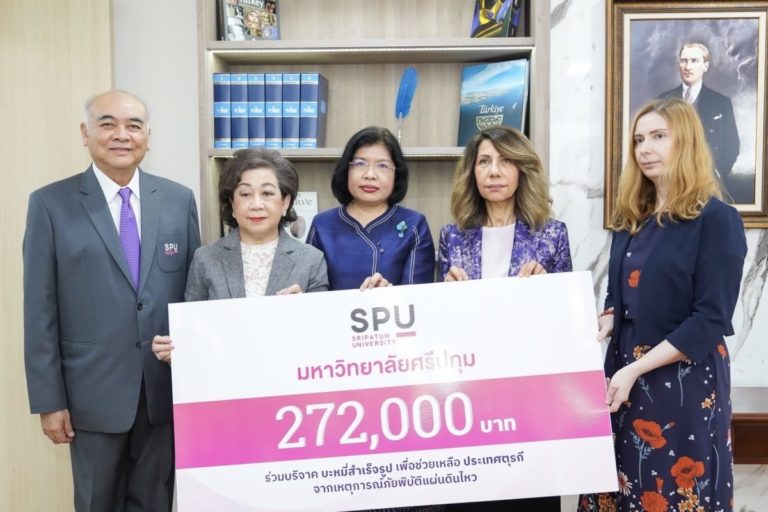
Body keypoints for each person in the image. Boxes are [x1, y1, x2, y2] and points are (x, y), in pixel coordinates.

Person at [23, 90, 201, 511]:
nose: (122, 135)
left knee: (156, 503)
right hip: (91, 396)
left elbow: (195, 294)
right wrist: (50, 401)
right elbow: (39, 311)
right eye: (108, 124)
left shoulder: (178, 200)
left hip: (162, 392)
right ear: (85, 133)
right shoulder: (50, 204)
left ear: (147, 137)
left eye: (133, 126)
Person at [579, 98, 746, 511]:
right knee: (617, 485)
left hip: (683, 380)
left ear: (685, 142)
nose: (645, 149)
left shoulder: (717, 219)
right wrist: (607, 319)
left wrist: (636, 368)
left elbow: (710, 318)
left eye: (658, 137)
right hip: (622, 373)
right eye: (638, 140)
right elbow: (618, 296)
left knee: (673, 491)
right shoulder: (631, 219)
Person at [439, 126, 571, 512]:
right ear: (472, 172)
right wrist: (445, 297)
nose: (494, 171)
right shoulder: (452, 236)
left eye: (506, 161)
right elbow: (440, 328)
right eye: (484, 161)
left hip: (530, 397)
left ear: (522, 170)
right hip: (468, 398)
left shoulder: (552, 235)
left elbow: (568, 323)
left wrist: (548, 293)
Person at [152, 148, 328, 362]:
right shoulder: (205, 259)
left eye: (267, 193)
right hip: (224, 376)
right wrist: (176, 350)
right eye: (245, 194)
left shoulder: (311, 260)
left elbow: (321, 337)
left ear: (285, 202)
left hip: (288, 376)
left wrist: (304, 311)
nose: (256, 205)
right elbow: (192, 334)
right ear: (232, 204)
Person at [307, 126, 435, 290]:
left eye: (382, 166)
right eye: (360, 164)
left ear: (397, 173)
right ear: (346, 170)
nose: (370, 175)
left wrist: (388, 295)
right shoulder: (322, 224)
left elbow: (417, 297)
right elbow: (311, 293)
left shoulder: (414, 225)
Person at [659, 43, 739, 178]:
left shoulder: (721, 103)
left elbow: (732, 145)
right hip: (671, 177)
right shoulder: (663, 101)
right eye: (683, 61)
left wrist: (718, 173)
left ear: (705, 66)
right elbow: (656, 142)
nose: (687, 67)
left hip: (708, 178)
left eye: (694, 61)